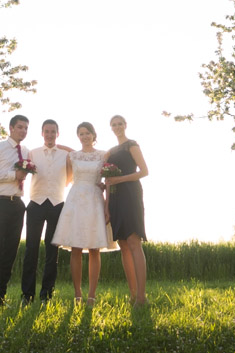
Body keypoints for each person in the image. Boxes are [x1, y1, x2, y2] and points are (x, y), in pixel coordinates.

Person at [52, 121, 117, 305]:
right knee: (76, 247)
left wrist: (106, 201)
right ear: (78, 137)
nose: (85, 136)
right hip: (76, 201)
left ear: (93, 135)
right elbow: (68, 179)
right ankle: (77, 293)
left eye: (87, 133)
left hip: (95, 199)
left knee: (94, 248)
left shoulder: (104, 155)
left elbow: (109, 179)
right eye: (81, 133)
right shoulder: (72, 156)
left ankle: (92, 294)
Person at [21, 119, 74, 304]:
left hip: (57, 204)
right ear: (42, 133)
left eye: (53, 132)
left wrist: (61, 146)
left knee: (52, 252)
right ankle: (27, 295)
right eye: (46, 131)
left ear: (57, 134)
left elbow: (79, 154)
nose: (50, 135)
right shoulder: (32, 153)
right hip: (36, 203)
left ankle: (46, 294)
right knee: (31, 250)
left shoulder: (65, 154)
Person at [0, 114, 31, 308]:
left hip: (17, 204)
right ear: (11, 128)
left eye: (26, 128)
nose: (23, 131)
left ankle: (1, 295)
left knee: (11, 251)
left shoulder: (26, 151)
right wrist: (13, 175)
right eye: (20, 127)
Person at [105, 114, 149, 306]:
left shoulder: (132, 145)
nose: (117, 127)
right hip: (114, 197)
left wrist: (119, 180)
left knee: (133, 241)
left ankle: (142, 296)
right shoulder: (110, 151)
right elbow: (106, 179)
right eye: (114, 124)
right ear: (111, 128)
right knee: (123, 244)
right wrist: (106, 203)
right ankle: (132, 295)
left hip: (130, 194)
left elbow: (144, 171)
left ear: (125, 125)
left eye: (120, 123)